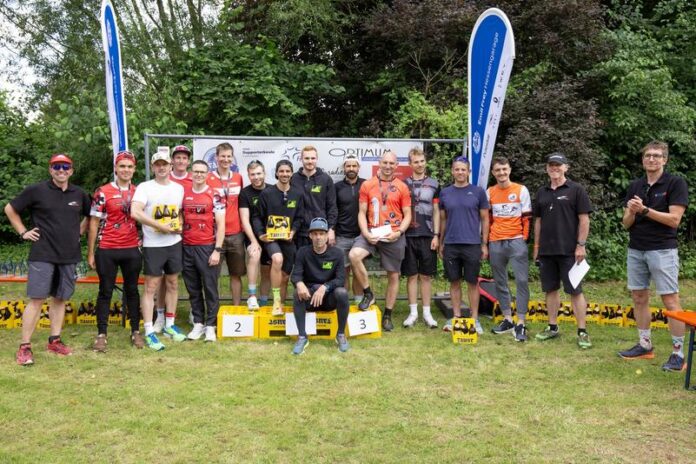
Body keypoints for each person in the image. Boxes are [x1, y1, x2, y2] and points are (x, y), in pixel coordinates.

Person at [5, 153, 91, 365]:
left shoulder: (79, 194)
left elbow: (92, 216)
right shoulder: (36, 190)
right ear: (50, 169)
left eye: (65, 167)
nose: (61, 170)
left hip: (69, 255)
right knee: (37, 299)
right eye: (56, 167)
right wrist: (23, 231)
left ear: (71, 170)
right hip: (42, 253)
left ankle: (54, 340)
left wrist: (77, 233)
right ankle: (24, 347)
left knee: (60, 298)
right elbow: (10, 209)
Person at [619, 141, 688, 371]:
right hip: (636, 248)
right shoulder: (635, 186)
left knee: (670, 299)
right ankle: (645, 345)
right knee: (639, 297)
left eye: (656, 156)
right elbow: (626, 224)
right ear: (642, 160)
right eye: (647, 155)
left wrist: (645, 210)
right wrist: (631, 212)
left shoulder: (675, 183)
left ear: (664, 160)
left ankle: (678, 353)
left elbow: (674, 220)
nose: (651, 159)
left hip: (662, 249)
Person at [533, 152, 593, 349]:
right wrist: (536, 246)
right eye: (551, 165)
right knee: (550, 289)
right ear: (546, 168)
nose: (554, 168)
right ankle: (552, 327)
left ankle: (582, 331)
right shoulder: (541, 192)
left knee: (575, 291)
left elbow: (584, 220)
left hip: (570, 251)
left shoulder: (576, 190)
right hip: (547, 251)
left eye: (558, 165)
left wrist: (581, 245)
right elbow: (538, 221)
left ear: (566, 167)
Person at [349, 150, 411, 332]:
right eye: (385, 163)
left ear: (396, 165)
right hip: (372, 234)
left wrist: (399, 232)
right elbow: (361, 212)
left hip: (393, 235)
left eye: (392, 163)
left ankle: (387, 315)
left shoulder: (402, 186)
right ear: (379, 163)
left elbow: (408, 215)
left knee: (393, 275)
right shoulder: (368, 184)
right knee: (354, 255)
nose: (388, 166)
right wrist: (366, 233)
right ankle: (368, 294)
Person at [87, 151, 143, 352]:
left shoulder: (139, 191)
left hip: (131, 248)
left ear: (134, 169)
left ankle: (135, 331)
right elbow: (93, 223)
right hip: (107, 248)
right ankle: (101, 334)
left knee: (132, 291)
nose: (126, 170)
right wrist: (91, 252)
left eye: (129, 166)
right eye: (122, 166)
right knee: (105, 291)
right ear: (115, 168)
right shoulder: (102, 191)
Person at [131, 150, 186, 351]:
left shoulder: (179, 188)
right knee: (151, 287)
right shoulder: (145, 187)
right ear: (153, 167)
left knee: (172, 282)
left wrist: (178, 224)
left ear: (171, 166)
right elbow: (135, 212)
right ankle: (149, 330)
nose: (162, 167)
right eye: (158, 164)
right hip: (153, 244)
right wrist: (159, 226)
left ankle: (170, 325)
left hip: (174, 242)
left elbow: (178, 213)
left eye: (165, 164)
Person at [438, 156, 489, 334]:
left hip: (472, 244)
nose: (460, 172)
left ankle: (475, 319)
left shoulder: (478, 192)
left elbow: (485, 218)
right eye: (457, 169)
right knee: (454, 282)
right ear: (452, 171)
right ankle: (457, 317)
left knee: (472, 282)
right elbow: (443, 219)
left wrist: (484, 244)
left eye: (463, 169)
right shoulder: (445, 193)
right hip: (451, 244)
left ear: (468, 172)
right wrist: (441, 241)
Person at [487, 157, 532, 342]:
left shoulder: (521, 190)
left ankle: (520, 322)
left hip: (516, 241)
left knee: (521, 281)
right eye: (498, 170)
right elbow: (488, 218)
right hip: (496, 241)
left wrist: (524, 238)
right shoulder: (489, 192)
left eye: (504, 169)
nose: (501, 173)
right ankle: (507, 319)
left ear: (510, 170)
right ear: (493, 173)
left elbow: (527, 217)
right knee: (500, 282)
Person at [290, 217, 350, 355]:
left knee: (342, 292)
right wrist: (299, 284)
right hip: (310, 297)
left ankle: (340, 334)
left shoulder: (337, 253)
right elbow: (296, 275)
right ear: (310, 235)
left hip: (329, 298)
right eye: (315, 234)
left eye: (322, 233)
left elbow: (341, 279)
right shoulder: (302, 252)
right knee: (296, 293)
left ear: (327, 235)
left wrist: (325, 287)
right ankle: (302, 337)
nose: (318, 237)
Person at [252, 160, 304, 316]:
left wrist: (293, 231)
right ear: (276, 173)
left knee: (284, 276)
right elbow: (256, 217)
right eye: (281, 171)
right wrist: (262, 234)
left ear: (292, 173)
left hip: (289, 240)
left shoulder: (297, 194)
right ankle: (275, 301)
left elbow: (300, 218)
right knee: (277, 259)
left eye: (288, 171)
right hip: (271, 239)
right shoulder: (267, 193)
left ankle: (280, 305)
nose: (284, 174)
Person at [181, 160, 226, 342]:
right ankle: (198, 323)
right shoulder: (183, 194)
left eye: (202, 172)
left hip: (207, 246)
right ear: (191, 173)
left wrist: (217, 250)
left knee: (210, 288)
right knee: (193, 288)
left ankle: (211, 326)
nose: (199, 175)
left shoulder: (215, 194)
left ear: (208, 174)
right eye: (196, 171)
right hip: (186, 246)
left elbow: (221, 224)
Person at [402, 148, 440, 329]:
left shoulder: (434, 183)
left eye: (422, 161)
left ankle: (427, 313)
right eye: (415, 162)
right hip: (408, 235)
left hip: (427, 234)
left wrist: (436, 235)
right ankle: (413, 313)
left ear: (425, 162)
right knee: (411, 276)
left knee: (425, 276)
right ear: (410, 164)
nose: (419, 164)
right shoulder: (402, 184)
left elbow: (436, 211)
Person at [206, 143, 245, 305]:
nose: (226, 159)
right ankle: (213, 312)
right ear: (216, 158)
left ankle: (236, 308)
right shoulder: (208, 178)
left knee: (236, 275)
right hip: (214, 235)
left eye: (229, 156)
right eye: (222, 156)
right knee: (211, 276)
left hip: (236, 234)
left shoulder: (238, 177)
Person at [290, 145, 337, 249]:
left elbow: (332, 206)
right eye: (306, 158)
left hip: (319, 231)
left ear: (317, 159)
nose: (310, 161)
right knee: (300, 263)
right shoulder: (293, 179)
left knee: (319, 263)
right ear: (301, 159)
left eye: (313, 158)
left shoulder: (326, 179)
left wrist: (331, 229)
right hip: (298, 232)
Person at [239, 160, 271, 310]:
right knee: (255, 255)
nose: (256, 177)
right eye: (253, 174)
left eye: (259, 173)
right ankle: (252, 297)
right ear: (248, 176)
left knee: (267, 269)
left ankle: (263, 301)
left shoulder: (272, 190)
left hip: (271, 236)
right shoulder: (245, 193)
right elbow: (245, 219)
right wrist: (254, 241)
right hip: (252, 236)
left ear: (264, 173)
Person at [334, 154, 365, 302]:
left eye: (354, 166)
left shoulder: (366, 184)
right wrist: (331, 230)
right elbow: (332, 210)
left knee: (359, 271)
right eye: (348, 166)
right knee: (343, 271)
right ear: (344, 168)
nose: (351, 169)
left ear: (358, 168)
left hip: (361, 236)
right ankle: (343, 302)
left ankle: (359, 301)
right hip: (341, 236)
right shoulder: (336, 187)